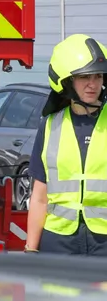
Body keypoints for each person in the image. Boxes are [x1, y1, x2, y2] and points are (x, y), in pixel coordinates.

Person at [24, 33, 107, 256]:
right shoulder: (51, 125)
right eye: (84, 77)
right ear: (68, 82)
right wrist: (31, 248)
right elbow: (39, 197)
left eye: (98, 76)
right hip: (59, 241)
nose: (93, 84)